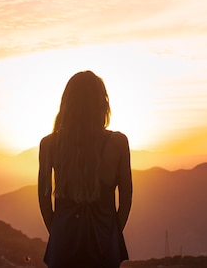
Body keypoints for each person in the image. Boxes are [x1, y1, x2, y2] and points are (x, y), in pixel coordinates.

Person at [38, 70, 132, 268]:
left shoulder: (49, 145)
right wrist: (111, 234)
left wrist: (58, 234)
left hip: (63, 244)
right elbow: (126, 199)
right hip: (104, 245)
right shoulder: (118, 143)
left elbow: (44, 200)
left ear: (67, 104)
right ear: (101, 103)